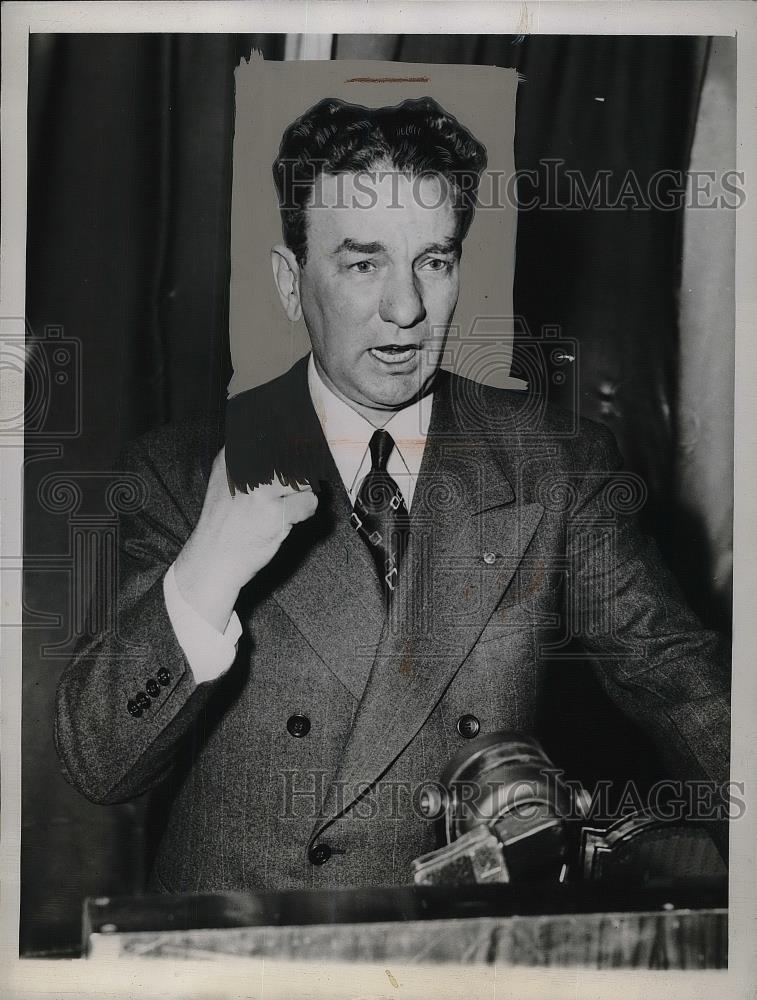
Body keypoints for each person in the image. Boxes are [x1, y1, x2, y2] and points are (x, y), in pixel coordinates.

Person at [54, 97, 731, 894]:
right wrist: (208, 569)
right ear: (289, 279)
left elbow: (680, 680)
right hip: (250, 954)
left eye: (433, 261)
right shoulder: (178, 468)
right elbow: (100, 763)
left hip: (462, 951)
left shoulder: (554, 463)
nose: (405, 310)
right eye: (363, 262)